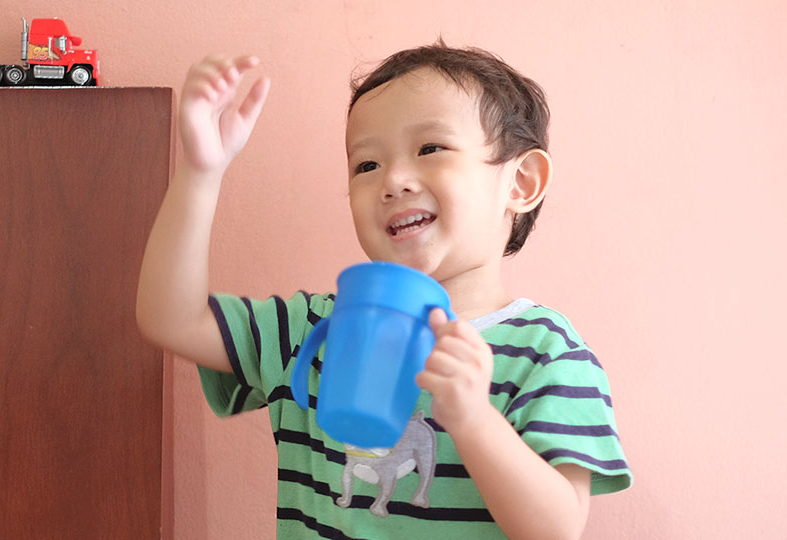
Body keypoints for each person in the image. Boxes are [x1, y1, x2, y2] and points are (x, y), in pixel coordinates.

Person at [137, 43, 632, 540]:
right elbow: (171, 320)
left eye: (430, 148)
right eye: (366, 165)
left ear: (521, 182)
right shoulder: (312, 330)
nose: (393, 181)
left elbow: (557, 529)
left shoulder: (546, 354)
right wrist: (201, 172)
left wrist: (474, 419)